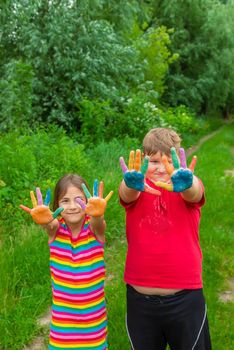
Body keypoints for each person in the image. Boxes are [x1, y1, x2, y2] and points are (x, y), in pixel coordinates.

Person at [119, 128, 212, 350]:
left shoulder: (186, 183)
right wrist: (130, 184)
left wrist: (187, 184)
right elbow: (125, 194)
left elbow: (195, 192)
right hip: (140, 302)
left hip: (186, 298)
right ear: (143, 160)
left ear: (179, 160)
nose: (161, 168)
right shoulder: (138, 188)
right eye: (153, 162)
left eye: (168, 161)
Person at [20, 174, 113, 350]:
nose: (72, 206)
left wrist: (98, 214)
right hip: (63, 329)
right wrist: (44, 220)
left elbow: (98, 223)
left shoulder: (93, 228)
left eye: (79, 200)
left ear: (88, 202)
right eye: (65, 201)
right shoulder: (56, 230)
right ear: (56, 205)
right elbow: (50, 224)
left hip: (93, 328)